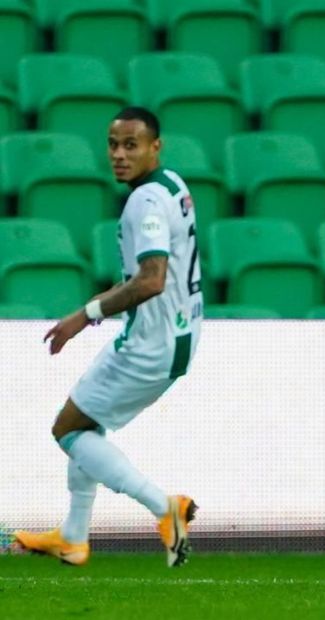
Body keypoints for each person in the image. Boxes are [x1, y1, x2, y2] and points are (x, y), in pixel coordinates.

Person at [13, 107, 202, 568]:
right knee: (88, 425)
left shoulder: (146, 203)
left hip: (149, 344)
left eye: (131, 145)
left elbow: (152, 279)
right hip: (177, 334)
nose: (119, 154)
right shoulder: (172, 184)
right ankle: (73, 538)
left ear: (155, 147)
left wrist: (87, 313)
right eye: (114, 144)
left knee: (68, 430)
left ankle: (165, 507)